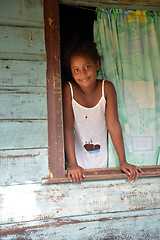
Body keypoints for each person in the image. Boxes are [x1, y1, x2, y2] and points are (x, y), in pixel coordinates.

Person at [63, 40, 143, 183]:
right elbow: (68, 128)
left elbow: (113, 125)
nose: (83, 74)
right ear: (71, 71)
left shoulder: (107, 88)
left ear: (97, 65)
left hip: (105, 163)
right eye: (76, 70)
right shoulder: (69, 90)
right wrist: (73, 164)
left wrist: (123, 161)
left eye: (87, 67)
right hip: (77, 166)